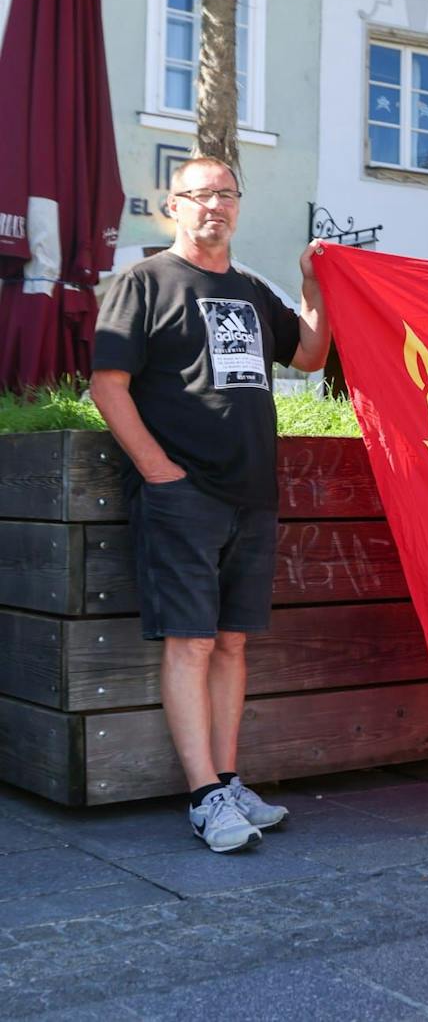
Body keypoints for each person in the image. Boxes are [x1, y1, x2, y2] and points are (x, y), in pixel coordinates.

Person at [90, 157, 331, 853]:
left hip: (250, 494)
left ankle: (227, 781)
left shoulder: (253, 288)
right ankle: (202, 797)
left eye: (227, 195)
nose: (215, 207)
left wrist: (315, 284)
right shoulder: (141, 281)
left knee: (231, 642)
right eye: (201, 196)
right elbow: (109, 386)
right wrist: (158, 471)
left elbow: (310, 354)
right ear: (175, 206)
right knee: (192, 641)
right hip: (182, 494)